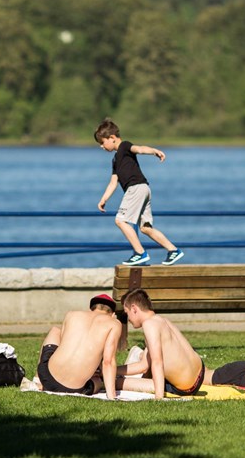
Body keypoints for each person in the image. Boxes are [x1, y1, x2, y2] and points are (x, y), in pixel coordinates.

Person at [94, 117, 184, 266]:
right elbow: (113, 182)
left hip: (135, 188)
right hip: (144, 189)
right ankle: (173, 250)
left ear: (112, 138)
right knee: (145, 228)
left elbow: (140, 148)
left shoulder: (124, 146)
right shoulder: (116, 160)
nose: (102, 147)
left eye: (102, 143)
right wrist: (104, 199)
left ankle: (140, 253)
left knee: (121, 220)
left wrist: (154, 151)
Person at [114, 288, 204, 399]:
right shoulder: (162, 320)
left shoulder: (149, 325)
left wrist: (158, 397)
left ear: (134, 309)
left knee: (117, 383)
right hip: (198, 375)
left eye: (127, 313)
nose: (128, 319)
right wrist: (112, 369)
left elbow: (157, 362)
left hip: (185, 387)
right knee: (144, 364)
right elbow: (144, 366)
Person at [34, 293, 125, 399]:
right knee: (97, 381)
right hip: (74, 388)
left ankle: (37, 381)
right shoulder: (114, 323)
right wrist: (111, 396)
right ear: (113, 314)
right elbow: (108, 361)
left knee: (55, 331)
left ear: (91, 309)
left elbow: (63, 344)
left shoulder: (72, 314)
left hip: (46, 376)